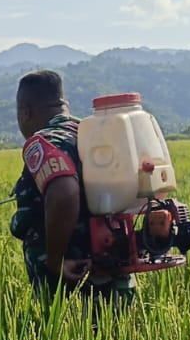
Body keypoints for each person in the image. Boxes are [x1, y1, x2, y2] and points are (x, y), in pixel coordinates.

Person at [10, 70, 135, 307]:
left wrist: (55, 262)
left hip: (74, 281)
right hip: (113, 271)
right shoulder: (96, 135)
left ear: (25, 112)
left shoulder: (45, 140)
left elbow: (64, 192)